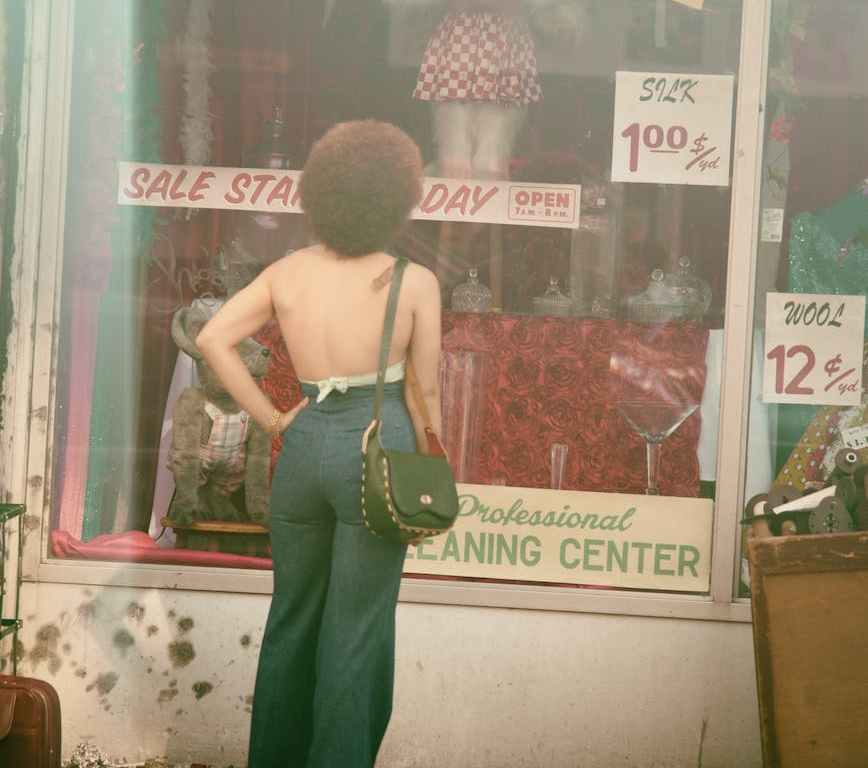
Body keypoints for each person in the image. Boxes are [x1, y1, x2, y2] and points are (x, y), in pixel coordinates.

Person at [196, 120, 442, 768]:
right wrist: (430, 469)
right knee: (355, 631)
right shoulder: (414, 281)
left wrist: (273, 419)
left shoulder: (287, 272)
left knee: (292, 619)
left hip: (303, 450)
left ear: (321, 194)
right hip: (376, 451)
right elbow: (424, 392)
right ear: (397, 198)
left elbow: (212, 338)